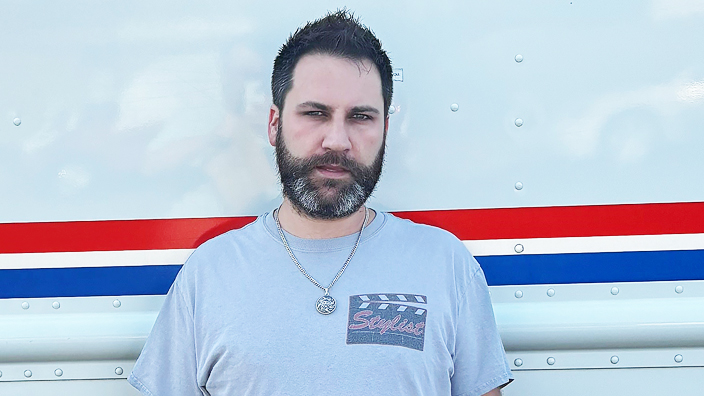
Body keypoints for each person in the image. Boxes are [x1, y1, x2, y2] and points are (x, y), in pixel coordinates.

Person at [128, 10, 513, 396]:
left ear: (385, 130)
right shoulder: (209, 273)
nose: (337, 140)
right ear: (274, 125)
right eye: (315, 113)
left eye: (361, 116)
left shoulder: (445, 263)